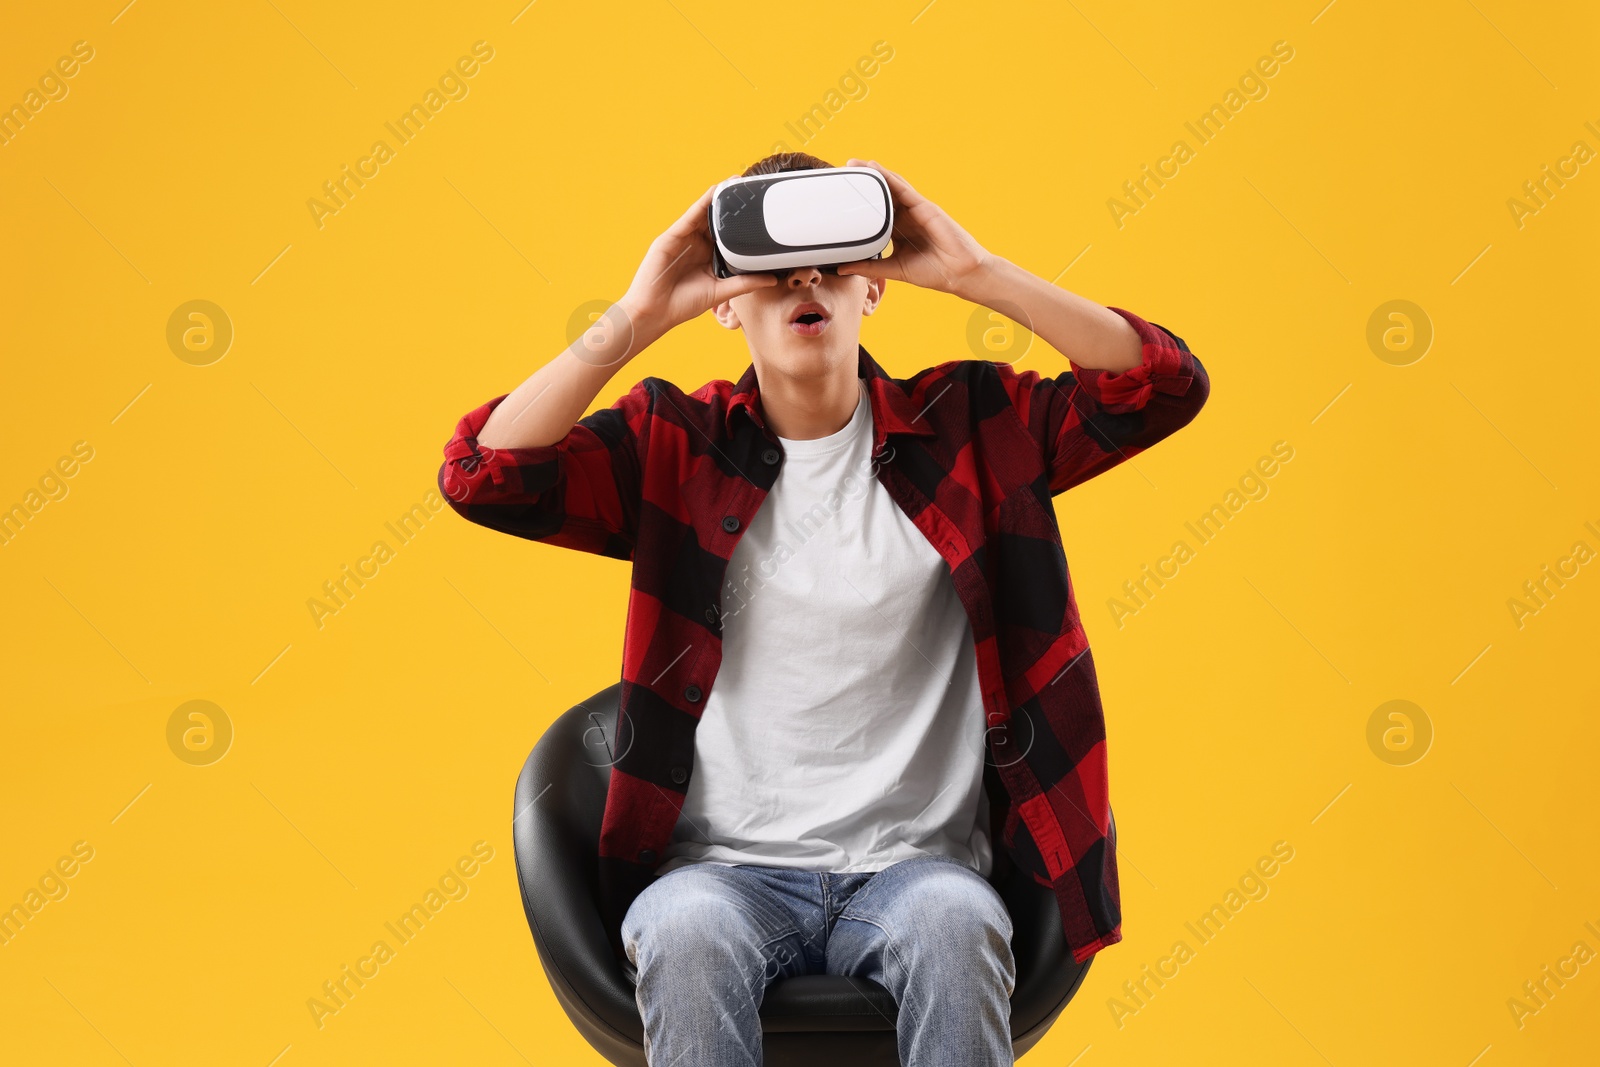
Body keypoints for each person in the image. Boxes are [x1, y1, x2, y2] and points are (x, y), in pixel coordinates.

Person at [438, 152, 1210, 1066]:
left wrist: (977, 275)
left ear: (872, 287)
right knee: (684, 936)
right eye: (770, 268)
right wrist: (638, 315)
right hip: (719, 876)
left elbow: (1161, 388)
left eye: (835, 261)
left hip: (919, 873)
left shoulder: (972, 425)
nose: (806, 281)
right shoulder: (674, 447)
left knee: (957, 930)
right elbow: (483, 477)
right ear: (724, 299)